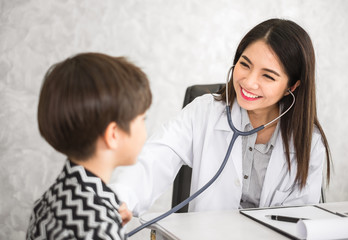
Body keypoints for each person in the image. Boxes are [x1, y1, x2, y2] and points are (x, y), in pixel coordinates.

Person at [110, 18, 331, 216]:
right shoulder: (204, 112)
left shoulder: (310, 142)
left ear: (291, 86)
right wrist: (119, 202)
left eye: (267, 76)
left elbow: (301, 219)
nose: (249, 82)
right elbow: (154, 159)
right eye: (245, 64)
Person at [27, 53, 152, 239]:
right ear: (113, 134)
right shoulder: (97, 227)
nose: (146, 130)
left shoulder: (49, 200)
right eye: (143, 119)